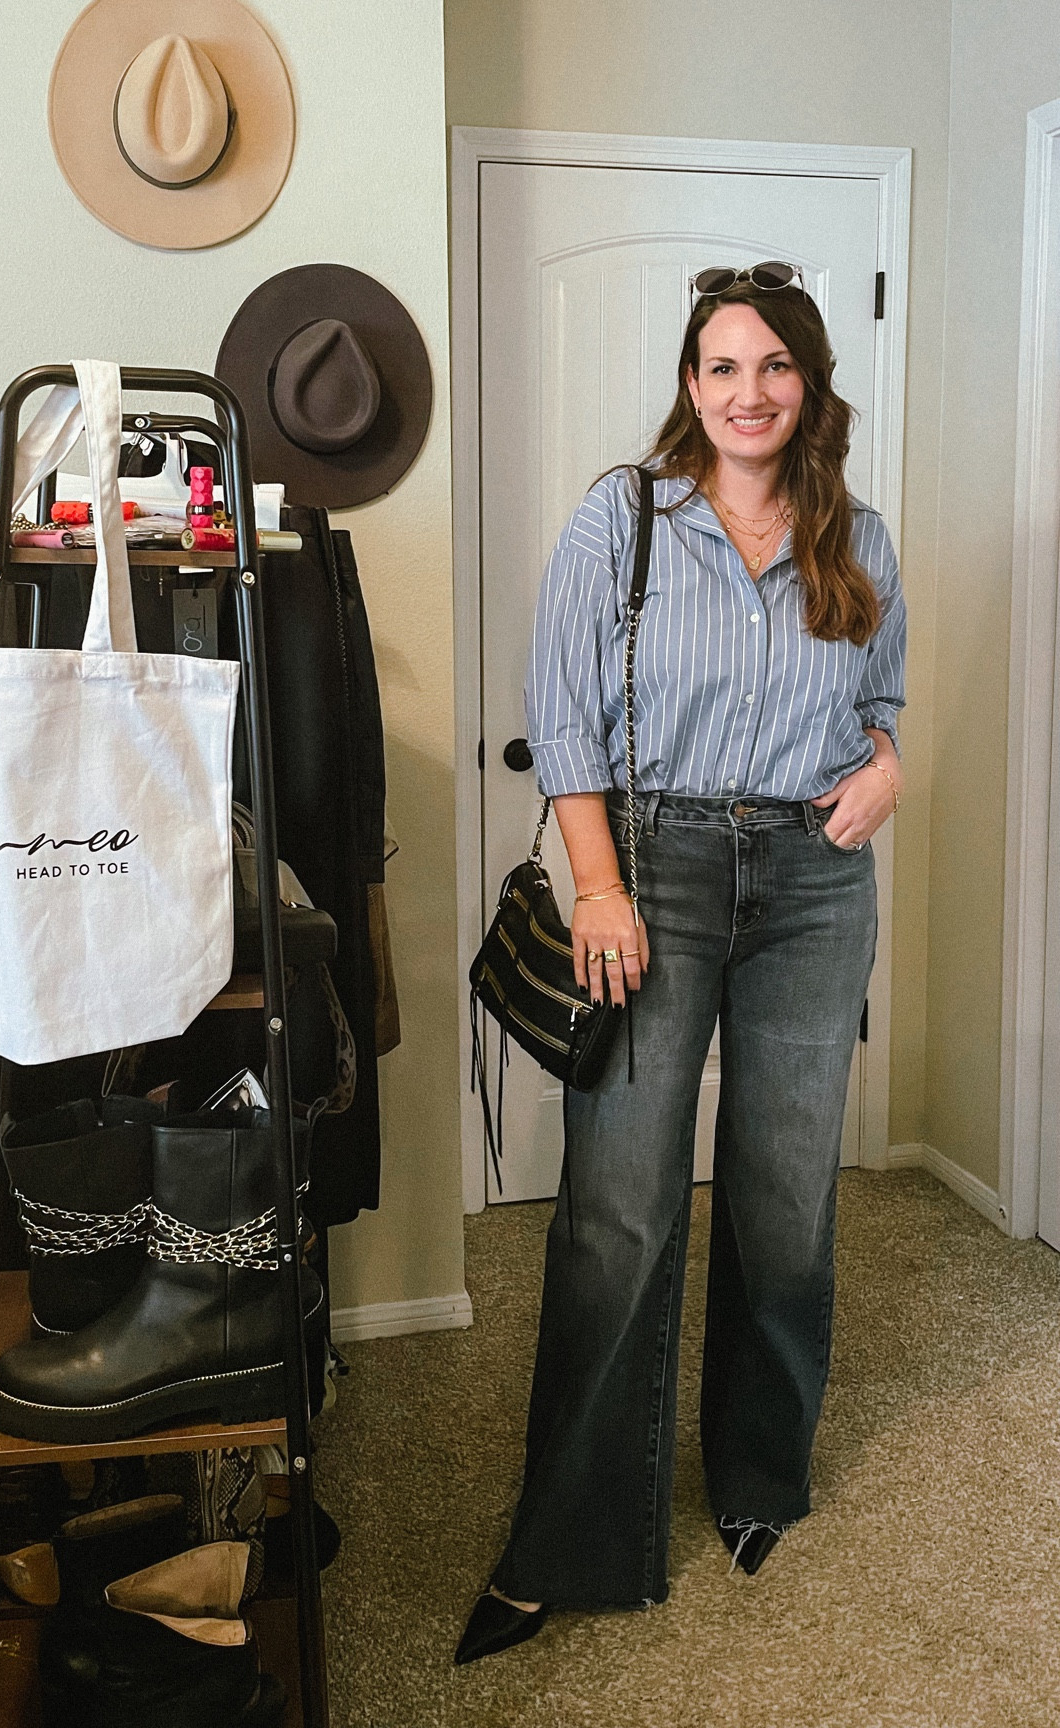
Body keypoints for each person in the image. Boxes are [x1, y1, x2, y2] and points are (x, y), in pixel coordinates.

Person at [455, 263, 906, 1665]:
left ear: (812, 383)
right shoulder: (625, 519)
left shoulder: (863, 537)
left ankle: (760, 1478)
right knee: (621, 1208)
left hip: (819, 881)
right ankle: (572, 1533)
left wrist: (891, 768)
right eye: (723, 366)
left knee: (784, 1196)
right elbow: (564, 715)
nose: (749, 392)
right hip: (656, 869)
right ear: (690, 384)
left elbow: (880, 708)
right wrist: (598, 885)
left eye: (775, 366)